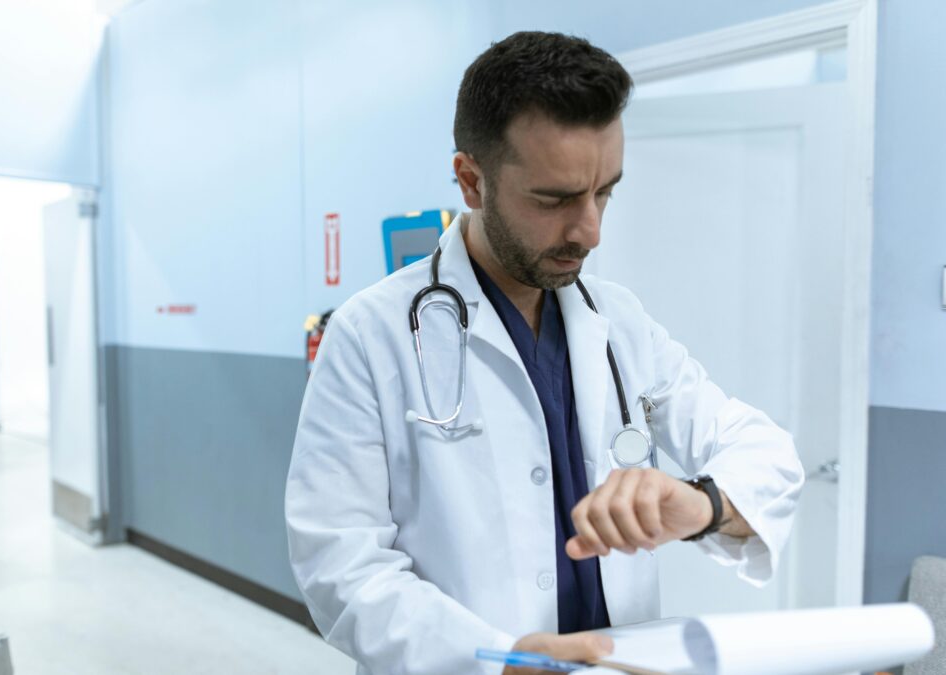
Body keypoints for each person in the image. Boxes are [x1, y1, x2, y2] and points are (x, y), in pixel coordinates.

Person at [285, 31, 804, 675]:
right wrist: (496, 659)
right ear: (471, 182)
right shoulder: (370, 335)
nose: (591, 229)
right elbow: (340, 566)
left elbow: (763, 451)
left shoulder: (617, 321)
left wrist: (704, 506)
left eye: (605, 190)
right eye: (555, 200)